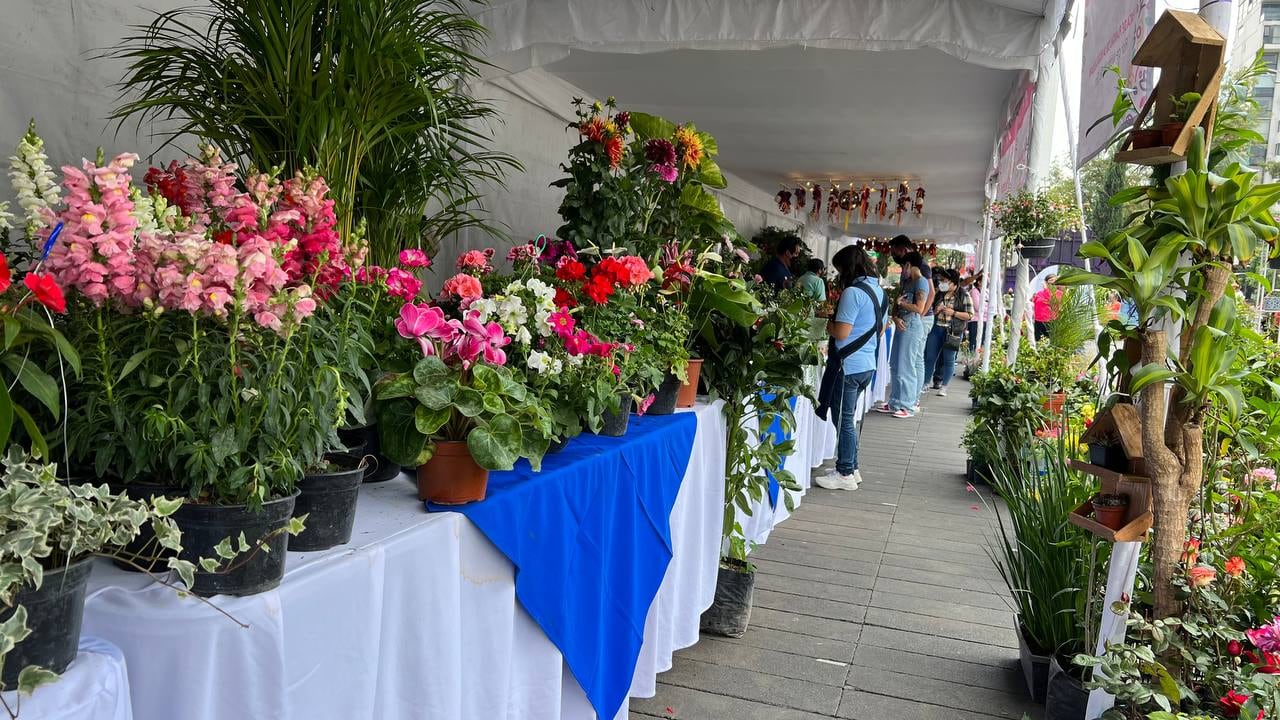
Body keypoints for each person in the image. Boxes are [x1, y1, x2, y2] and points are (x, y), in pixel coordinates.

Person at [815, 246, 885, 490]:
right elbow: (881, 329)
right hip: (866, 364)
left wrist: (827, 324)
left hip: (848, 365)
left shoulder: (853, 292)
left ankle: (845, 473)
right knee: (848, 418)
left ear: (847, 267)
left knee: (843, 419)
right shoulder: (879, 291)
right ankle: (851, 467)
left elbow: (842, 333)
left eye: (839, 268)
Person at [879, 252, 929, 418]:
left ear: (909, 265)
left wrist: (902, 304)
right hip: (901, 323)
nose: (902, 270)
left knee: (906, 366)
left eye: (902, 266)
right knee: (895, 364)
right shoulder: (907, 282)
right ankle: (895, 402)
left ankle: (907, 405)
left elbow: (920, 308)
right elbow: (897, 303)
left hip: (912, 326)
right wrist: (895, 315)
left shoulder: (921, 282)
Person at [922, 268, 974, 397]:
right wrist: (936, 310)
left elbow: (969, 315)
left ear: (954, 283)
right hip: (936, 328)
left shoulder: (964, 295)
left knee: (949, 360)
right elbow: (929, 311)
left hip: (953, 331)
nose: (942, 283)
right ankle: (925, 383)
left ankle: (944, 386)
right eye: (942, 280)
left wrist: (954, 313)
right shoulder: (939, 294)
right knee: (929, 357)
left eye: (945, 281)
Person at [1032, 275, 1062, 340]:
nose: (1052, 283)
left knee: (1050, 340)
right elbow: (1034, 305)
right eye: (1050, 281)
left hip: (1050, 322)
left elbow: (1051, 301)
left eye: (1054, 281)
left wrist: (1046, 289)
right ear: (1046, 282)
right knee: (1037, 340)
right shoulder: (1039, 293)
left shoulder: (1059, 294)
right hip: (1038, 321)